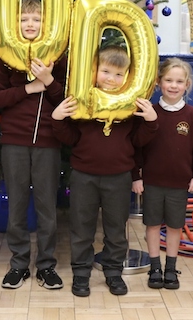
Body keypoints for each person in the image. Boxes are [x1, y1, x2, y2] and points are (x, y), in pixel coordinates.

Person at [52, 45, 158, 297]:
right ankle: (81, 273)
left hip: (118, 177)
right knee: (82, 225)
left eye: (119, 74)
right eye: (106, 71)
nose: (111, 79)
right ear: (94, 71)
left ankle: (113, 272)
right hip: (83, 175)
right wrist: (57, 118)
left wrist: (151, 121)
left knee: (115, 228)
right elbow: (70, 137)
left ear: (128, 78)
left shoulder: (130, 106)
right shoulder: (82, 100)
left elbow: (138, 141)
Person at [0, 0, 66, 290]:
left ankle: (46, 266)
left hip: (48, 142)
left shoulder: (59, 58)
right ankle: (18, 264)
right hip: (15, 142)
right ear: (15, 25)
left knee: (47, 207)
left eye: (36, 20)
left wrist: (48, 80)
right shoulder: (6, 59)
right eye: (24, 19)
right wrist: (29, 87)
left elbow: (67, 100)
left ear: (46, 26)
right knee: (17, 205)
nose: (30, 25)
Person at [132, 57, 193, 290]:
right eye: (169, 80)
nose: (174, 85)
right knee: (152, 225)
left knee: (174, 226)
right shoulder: (147, 111)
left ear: (187, 85)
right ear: (158, 82)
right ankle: (155, 268)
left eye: (179, 81)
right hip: (152, 182)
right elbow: (136, 147)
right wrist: (136, 177)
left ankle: (170, 268)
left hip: (179, 184)